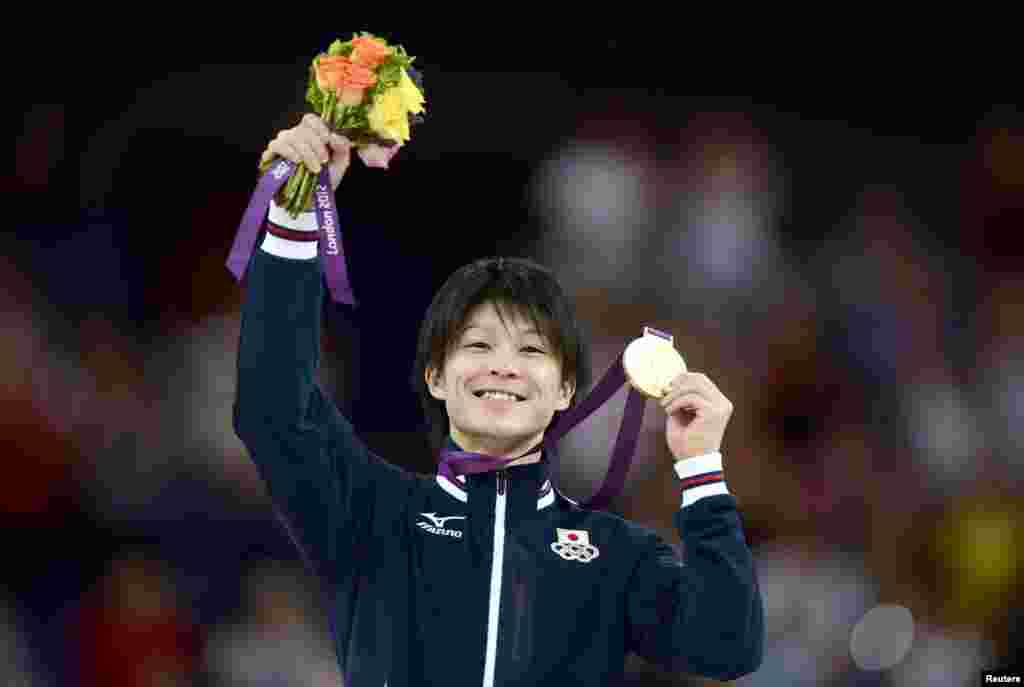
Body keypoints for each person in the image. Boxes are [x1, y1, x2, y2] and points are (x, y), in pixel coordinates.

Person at [233, 113, 764, 686]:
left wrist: (702, 471)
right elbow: (273, 409)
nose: (504, 366)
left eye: (532, 351)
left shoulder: (613, 555)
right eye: (479, 344)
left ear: (566, 390)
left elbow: (726, 647)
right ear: (436, 376)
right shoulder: (370, 512)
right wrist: (292, 219)